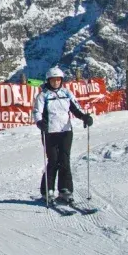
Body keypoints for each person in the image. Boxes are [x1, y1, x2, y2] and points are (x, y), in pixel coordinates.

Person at [32, 67, 93, 204]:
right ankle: (47, 190)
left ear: (61, 80)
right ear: (48, 81)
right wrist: (40, 122)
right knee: (53, 161)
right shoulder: (43, 95)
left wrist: (84, 117)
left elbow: (75, 108)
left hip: (66, 131)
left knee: (64, 160)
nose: (56, 82)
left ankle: (65, 189)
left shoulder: (66, 93)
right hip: (50, 132)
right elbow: (37, 112)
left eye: (58, 80)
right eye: (53, 80)